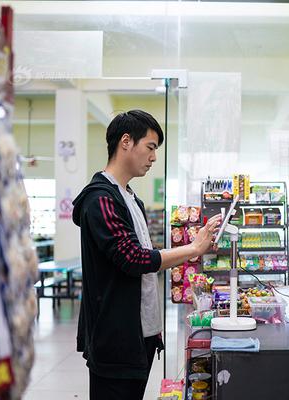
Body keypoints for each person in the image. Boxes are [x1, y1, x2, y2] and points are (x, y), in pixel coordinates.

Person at [72, 110, 221, 400]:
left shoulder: (130, 198)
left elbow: (147, 258)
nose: (153, 157)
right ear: (126, 142)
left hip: (140, 336)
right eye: (150, 147)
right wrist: (193, 249)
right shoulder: (101, 198)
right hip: (115, 339)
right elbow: (134, 259)